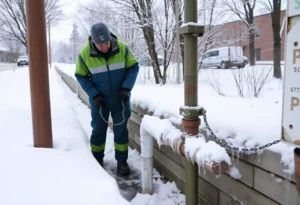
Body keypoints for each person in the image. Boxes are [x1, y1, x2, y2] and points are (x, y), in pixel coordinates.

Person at [75, 22, 139, 176]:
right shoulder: (84, 55)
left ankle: (122, 162)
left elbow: (133, 67)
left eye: (106, 43)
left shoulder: (122, 49)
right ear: (93, 42)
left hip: (120, 100)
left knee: (121, 131)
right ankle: (96, 162)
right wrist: (94, 94)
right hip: (100, 102)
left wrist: (126, 88)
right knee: (98, 131)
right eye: (100, 45)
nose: (104, 47)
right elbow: (81, 76)